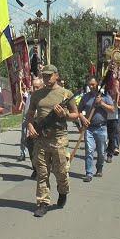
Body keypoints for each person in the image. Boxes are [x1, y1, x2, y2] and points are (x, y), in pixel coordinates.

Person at [26, 64, 79, 217]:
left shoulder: (65, 94)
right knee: (42, 173)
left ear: (56, 75)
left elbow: (76, 115)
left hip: (59, 139)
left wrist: (65, 115)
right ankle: (43, 203)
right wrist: (30, 125)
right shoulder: (37, 95)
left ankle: (63, 192)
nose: (47, 78)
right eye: (44, 75)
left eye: (49, 75)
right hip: (41, 140)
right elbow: (30, 114)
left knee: (61, 172)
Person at [78, 76, 112, 181]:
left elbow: (112, 109)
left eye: (93, 84)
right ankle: (89, 173)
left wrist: (101, 103)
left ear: (97, 84)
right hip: (89, 128)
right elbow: (78, 111)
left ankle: (99, 168)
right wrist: (83, 118)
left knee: (101, 152)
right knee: (89, 150)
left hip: (101, 128)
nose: (91, 86)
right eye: (89, 84)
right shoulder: (85, 97)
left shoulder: (104, 96)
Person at [20, 77, 44, 178]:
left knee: (41, 151)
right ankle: (35, 168)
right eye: (33, 87)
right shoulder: (30, 96)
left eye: (37, 87)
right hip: (30, 126)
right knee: (31, 149)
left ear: (42, 87)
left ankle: (42, 170)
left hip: (41, 127)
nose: (35, 89)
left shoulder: (45, 97)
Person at [105, 81, 119, 162]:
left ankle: (109, 154)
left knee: (112, 137)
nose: (116, 86)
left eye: (117, 85)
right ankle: (103, 151)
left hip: (113, 118)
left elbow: (117, 104)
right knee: (103, 137)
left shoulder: (119, 94)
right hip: (104, 118)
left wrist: (117, 94)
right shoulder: (106, 93)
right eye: (114, 85)